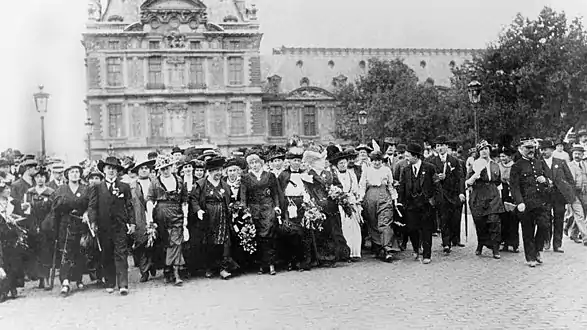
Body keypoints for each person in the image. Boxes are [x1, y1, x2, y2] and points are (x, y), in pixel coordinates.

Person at [88, 156, 135, 295]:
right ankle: (110, 281)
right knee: (107, 254)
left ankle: (123, 284)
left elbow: (129, 206)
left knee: (121, 253)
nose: (111, 171)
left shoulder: (124, 187)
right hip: (104, 226)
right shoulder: (97, 187)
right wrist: (93, 222)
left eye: (114, 169)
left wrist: (131, 222)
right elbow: (92, 207)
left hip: (119, 226)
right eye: (109, 168)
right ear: (103, 170)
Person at [302, 150, 350, 266]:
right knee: (322, 233)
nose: (323, 162)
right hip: (319, 207)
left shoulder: (329, 173)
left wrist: (337, 192)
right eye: (320, 161)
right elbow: (308, 191)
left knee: (336, 230)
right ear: (313, 163)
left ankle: (340, 254)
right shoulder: (308, 175)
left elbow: (338, 185)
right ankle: (324, 257)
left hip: (332, 206)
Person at [146, 154, 188, 285]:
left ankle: (176, 272)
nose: (165, 171)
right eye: (162, 168)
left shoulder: (180, 180)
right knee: (166, 243)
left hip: (177, 213)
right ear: (159, 170)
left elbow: (184, 201)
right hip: (161, 214)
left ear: (172, 167)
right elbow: (149, 200)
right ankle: (167, 269)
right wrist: (150, 218)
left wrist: (185, 218)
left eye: (167, 167)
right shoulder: (155, 182)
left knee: (176, 242)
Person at [51, 164, 91, 296]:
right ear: (67, 175)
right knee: (66, 253)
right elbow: (55, 208)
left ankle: (78, 278)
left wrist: (86, 213)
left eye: (77, 172)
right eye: (72, 172)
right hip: (65, 224)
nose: (75, 174)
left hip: (81, 224)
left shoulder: (85, 189)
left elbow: (90, 205)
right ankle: (65, 281)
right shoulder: (61, 189)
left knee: (79, 252)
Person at [510, 139, 551, 267]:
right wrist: (519, 202)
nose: (531, 150)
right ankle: (530, 257)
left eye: (532, 148)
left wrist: (545, 181)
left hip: (540, 202)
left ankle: (538, 249)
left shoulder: (539, 163)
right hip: (526, 203)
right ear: (521, 149)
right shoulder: (516, 166)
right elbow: (514, 187)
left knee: (544, 225)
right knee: (528, 230)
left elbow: (548, 180)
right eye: (527, 148)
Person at [190, 157, 233, 280]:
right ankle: (209, 267)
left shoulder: (224, 184)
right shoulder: (201, 184)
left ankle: (223, 268)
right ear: (209, 171)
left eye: (220, 170)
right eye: (215, 171)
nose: (218, 173)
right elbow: (193, 199)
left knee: (224, 242)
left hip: (222, 216)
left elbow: (229, 198)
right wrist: (198, 210)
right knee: (209, 242)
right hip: (207, 216)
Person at [241, 152, 281, 275]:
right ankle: (262, 264)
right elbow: (243, 195)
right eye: (251, 163)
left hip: (268, 206)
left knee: (268, 234)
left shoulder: (270, 175)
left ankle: (271, 264)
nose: (254, 165)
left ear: (261, 163)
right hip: (254, 209)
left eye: (256, 162)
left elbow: (275, 193)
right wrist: (245, 209)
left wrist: (277, 206)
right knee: (257, 235)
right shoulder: (246, 177)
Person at [397, 143, 438, 264]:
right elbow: (402, 188)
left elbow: (436, 186)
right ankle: (416, 249)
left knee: (426, 229)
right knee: (412, 229)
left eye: (408, 156)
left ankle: (427, 255)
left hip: (426, 205)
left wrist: (434, 201)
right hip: (411, 205)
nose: (406, 158)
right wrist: (401, 203)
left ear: (415, 156)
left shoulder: (429, 168)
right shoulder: (406, 170)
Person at [465, 141, 505, 259]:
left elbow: (498, 182)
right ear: (478, 152)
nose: (484, 151)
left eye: (486, 148)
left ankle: (495, 248)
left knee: (494, 222)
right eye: (481, 149)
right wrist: (475, 175)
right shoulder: (474, 164)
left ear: (489, 150)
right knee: (480, 223)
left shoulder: (495, 165)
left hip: (493, 196)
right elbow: (467, 182)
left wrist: (500, 197)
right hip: (479, 196)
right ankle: (481, 244)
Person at [428, 136, 466, 253]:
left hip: (453, 194)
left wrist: (461, 192)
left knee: (454, 218)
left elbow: (460, 178)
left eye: (442, 145)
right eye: (438, 146)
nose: (440, 148)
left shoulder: (454, 160)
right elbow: (429, 179)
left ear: (446, 146)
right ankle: (446, 243)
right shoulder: (431, 161)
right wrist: (437, 179)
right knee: (443, 218)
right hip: (440, 194)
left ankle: (455, 238)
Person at [358, 150, 397, 262]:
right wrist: (361, 198)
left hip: (384, 195)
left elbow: (390, 185)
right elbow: (362, 186)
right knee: (372, 222)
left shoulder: (386, 170)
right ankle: (378, 246)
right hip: (370, 196)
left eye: (379, 160)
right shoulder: (367, 170)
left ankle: (387, 249)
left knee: (385, 222)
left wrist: (394, 199)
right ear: (371, 161)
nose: (376, 163)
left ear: (382, 160)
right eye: (374, 161)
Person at [278, 148, 312, 270]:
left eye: (298, 160)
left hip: (302, 204)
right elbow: (280, 191)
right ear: (289, 162)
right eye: (294, 160)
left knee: (304, 232)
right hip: (288, 204)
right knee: (290, 232)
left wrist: (307, 200)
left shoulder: (305, 174)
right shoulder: (283, 175)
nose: (297, 163)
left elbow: (308, 189)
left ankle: (304, 261)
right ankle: (290, 260)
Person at [539, 140, 575, 253]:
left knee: (559, 219)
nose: (543, 152)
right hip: (545, 195)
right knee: (546, 219)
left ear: (552, 150)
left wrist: (569, 194)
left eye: (546, 149)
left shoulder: (561, 162)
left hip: (559, 195)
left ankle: (557, 244)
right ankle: (546, 241)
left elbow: (569, 179)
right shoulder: (538, 163)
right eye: (542, 149)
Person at [22, 167, 55, 289]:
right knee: (35, 252)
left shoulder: (51, 192)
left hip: (47, 226)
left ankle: (46, 277)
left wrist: (46, 224)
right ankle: (39, 278)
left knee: (45, 252)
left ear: (46, 178)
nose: (40, 179)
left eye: (42, 177)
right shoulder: (30, 192)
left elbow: (53, 211)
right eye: (37, 177)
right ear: (34, 178)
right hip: (33, 225)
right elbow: (26, 211)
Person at [331, 150, 363, 261]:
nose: (343, 165)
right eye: (340, 163)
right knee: (343, 227)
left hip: (350, 202)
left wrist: (354, 198)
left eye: (344, 163)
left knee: (354, 227)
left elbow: (355, 188)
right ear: (336, 165)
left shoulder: (351, 174)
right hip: (340, 203)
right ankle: (344, 253)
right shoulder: (334, 175)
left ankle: (354, 252)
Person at [129, 159, 156, 282]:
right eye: (141, 168)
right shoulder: (132, 185)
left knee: (155, 241)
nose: (144, 170)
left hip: (154, 214)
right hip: (139, 216)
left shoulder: (155, 183)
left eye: (146, 168)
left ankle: (153, 264)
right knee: (141, 243)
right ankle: (144, 270)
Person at [0, 180, 25, 302]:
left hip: (12, 235)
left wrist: (15, 219)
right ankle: (3, 290)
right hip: (1, 235)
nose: (8, 191)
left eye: (9, 189)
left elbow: (21, 215)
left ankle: (13, 287)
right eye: (5, 189)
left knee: (13, 261)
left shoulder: (13, 203)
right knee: (3, 263)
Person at [498, 145, 520, 252]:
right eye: (501, 156)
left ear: (510, 157)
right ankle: (504, 243)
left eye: (505, 156)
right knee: (503, 219)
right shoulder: (498, 166)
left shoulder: (515, 166)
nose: (503, 159)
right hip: (501, 193)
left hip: (512, 194)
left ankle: (514, 244)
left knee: (513, 219)